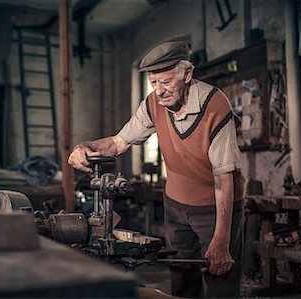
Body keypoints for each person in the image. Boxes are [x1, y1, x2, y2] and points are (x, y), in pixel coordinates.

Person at [68, 41, 245, 298]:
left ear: (187, 74)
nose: (159, 91)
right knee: (182, 281)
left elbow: (223, 180)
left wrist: (221, 240)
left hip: (216, 207)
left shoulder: (215, 106)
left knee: (219, 278)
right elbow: (118, 142)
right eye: (154, 83)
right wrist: (84, 147)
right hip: (176, 205)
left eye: (165, 82)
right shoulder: (153, 104)